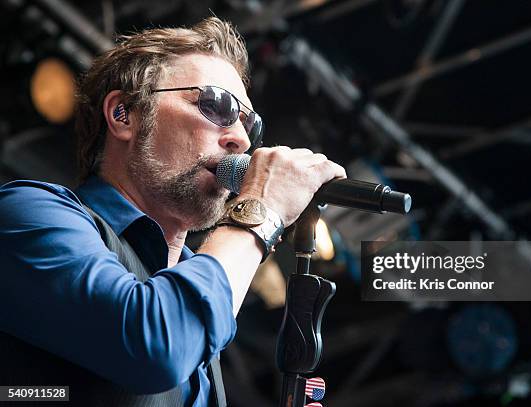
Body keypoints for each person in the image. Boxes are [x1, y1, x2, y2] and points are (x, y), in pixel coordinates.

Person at [0, 17, 345, 406]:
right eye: (217, 105)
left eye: (251, 125)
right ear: (123, 114)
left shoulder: (194, 286)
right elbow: (154, 346)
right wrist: (261, 209)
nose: (242, 139)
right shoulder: (26, 214)